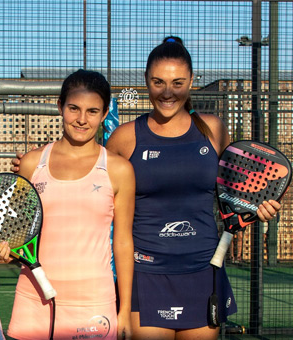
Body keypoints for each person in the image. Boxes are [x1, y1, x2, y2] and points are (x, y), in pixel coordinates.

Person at [104, 37, 281, 339]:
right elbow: (93, 188)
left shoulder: (212, 129)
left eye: (178, 82)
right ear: (146, 81)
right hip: (146, 273)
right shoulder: (124, 138)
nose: (168, 92)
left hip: (203, 268)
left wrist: (259, 207)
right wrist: (32, 162)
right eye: (158, 82)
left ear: (192, 82)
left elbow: (241, 189)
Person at [0, 70, 135, 340]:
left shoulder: (119, 169)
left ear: (104, 114)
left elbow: (124, 241)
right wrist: (5, 250)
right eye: (74, 108)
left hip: (94, 303)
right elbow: (17, 232)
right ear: (60, 107)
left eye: (93, 111)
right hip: (35, 299)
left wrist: (124, 308)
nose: (82, 119)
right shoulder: (32, 163)